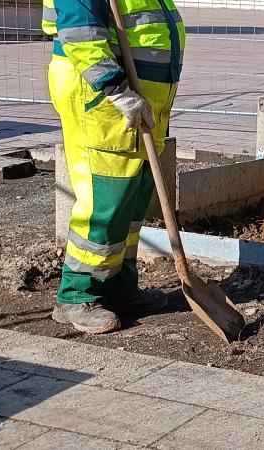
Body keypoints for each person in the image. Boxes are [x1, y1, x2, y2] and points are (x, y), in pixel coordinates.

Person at [41, 0, 185, 333]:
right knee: (107, 197)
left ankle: (118, 287)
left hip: (141, 93)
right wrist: (114, 87)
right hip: (104, 94)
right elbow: (79, 29)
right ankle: (76, 294)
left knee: (132, 197)